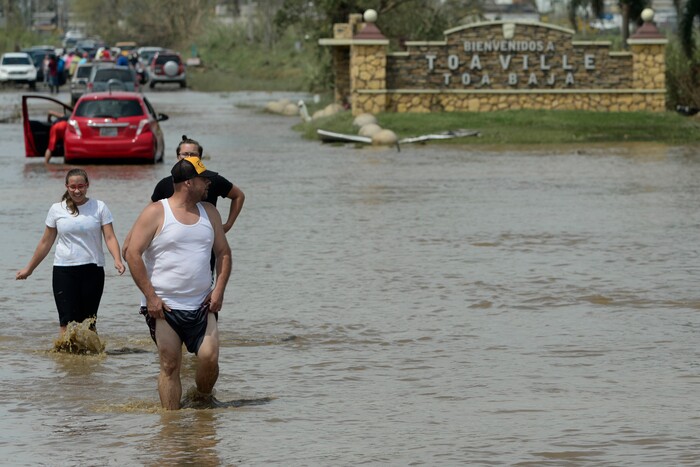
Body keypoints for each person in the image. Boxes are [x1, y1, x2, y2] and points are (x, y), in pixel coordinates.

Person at [125, 157, 232, 410]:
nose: (209, 183)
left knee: (209, 358)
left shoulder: (210, 212)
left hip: (203, 304)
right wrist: (150, 297)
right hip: (164, 307)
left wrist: (219, 290)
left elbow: (224, 253)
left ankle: (202, 402)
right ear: (188, 182)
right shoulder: (155, 212)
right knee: (170, 364)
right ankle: (171, 428)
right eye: (203, 179)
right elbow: (132, 253)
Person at [16, 169, 126, 336]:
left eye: (81, 186)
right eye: (73, 186)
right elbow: (46, 242)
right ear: (67, 187)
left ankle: (93, 361)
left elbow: (110, 237)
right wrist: (29, 269)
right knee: (66, 323)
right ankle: (66, 361)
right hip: (64, 270)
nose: (77, 191)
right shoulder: (56, 209)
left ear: (87, 185)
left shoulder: (99, 207)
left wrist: (117, 259)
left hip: (92, 269)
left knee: (89, 322)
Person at [122, 135, 245, 265]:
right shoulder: (165, 184)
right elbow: (147, 214)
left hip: (205, 247)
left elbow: (239, 196)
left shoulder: (212, 181)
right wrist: (130, 238)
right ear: (177, 157)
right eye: (185, 154)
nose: (188, 158)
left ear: (200, 158)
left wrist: (228, 225)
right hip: (176, 246)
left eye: (193, 155)